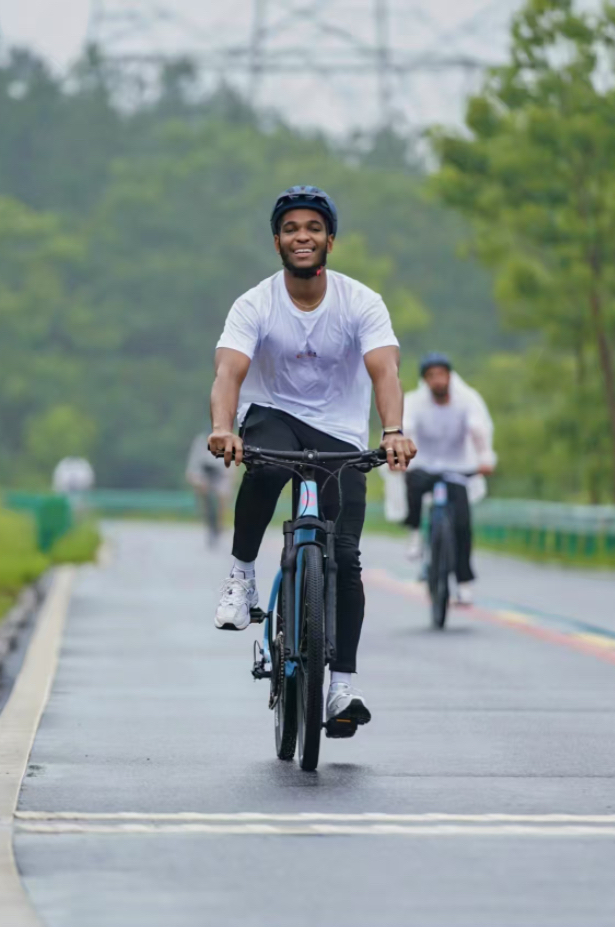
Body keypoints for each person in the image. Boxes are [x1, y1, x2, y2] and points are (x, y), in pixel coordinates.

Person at [207, 184, 416, 734]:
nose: (303, 237)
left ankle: (341, 686)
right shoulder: (255, 304)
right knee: (269, 466)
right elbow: (228, 372)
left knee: (344, 556)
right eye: (291, 229)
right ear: (277, 241)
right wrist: (223, 428)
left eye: (314, 228)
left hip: (340, 434)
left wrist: (393, 431)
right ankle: (242, 576)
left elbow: (385, 370)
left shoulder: (361, 302)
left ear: (330, 241)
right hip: (273, 415)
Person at [395, 352, 496, 605]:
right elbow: (407, 428)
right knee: (412, 484)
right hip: (424, 465)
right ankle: (415, 532)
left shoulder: (466, 401)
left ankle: (464, 583)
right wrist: (400, 457)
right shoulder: (415, 402)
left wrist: (485, 458)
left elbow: (478, 430)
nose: (437, 380)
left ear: (450, 376)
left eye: (441, 374)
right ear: (425, 380)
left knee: (462, 526)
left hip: (457, 468)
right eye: (431, 376)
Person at [185, 431, 234, 546]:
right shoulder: (202, 440)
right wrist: (194, 476)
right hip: (204, 472)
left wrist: (230, 478)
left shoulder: (228, 439)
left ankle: (220, 524)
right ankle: (207, 520)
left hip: (221, 473)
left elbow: (231, 463)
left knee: (222, 496)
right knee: (204, 495)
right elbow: (195, 462)